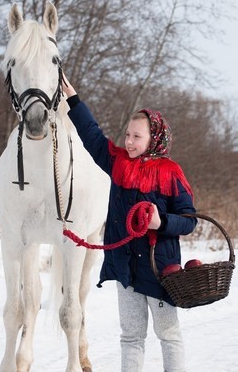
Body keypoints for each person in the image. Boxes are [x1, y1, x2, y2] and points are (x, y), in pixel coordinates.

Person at [62, 74, 197, 372]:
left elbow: (189, 221)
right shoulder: (118, 162)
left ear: (154, 139)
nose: (130, 141)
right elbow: (92, 135)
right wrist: (74, 100)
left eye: (137, 136)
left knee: (168, 336)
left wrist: (162, 222)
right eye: (128, 134)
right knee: (131, 337)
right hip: (125, 269)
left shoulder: (171, 172)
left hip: (159, 270)